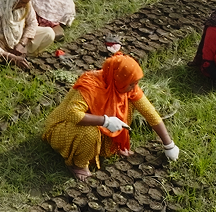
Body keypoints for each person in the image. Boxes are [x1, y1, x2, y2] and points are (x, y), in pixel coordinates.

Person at [41, 54, 179, 181]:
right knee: (89, 132)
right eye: (131, 84)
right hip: (64, 129)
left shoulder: (124, 85)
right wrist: (105, 121)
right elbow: (73, 114)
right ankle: (78, 165)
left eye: (135, 83)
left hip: (94, 125)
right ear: (118, 79)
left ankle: (110, 144)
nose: (134, 87)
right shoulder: (90, 85)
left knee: (127, 104)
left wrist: (169, 144)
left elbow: (149, 111)